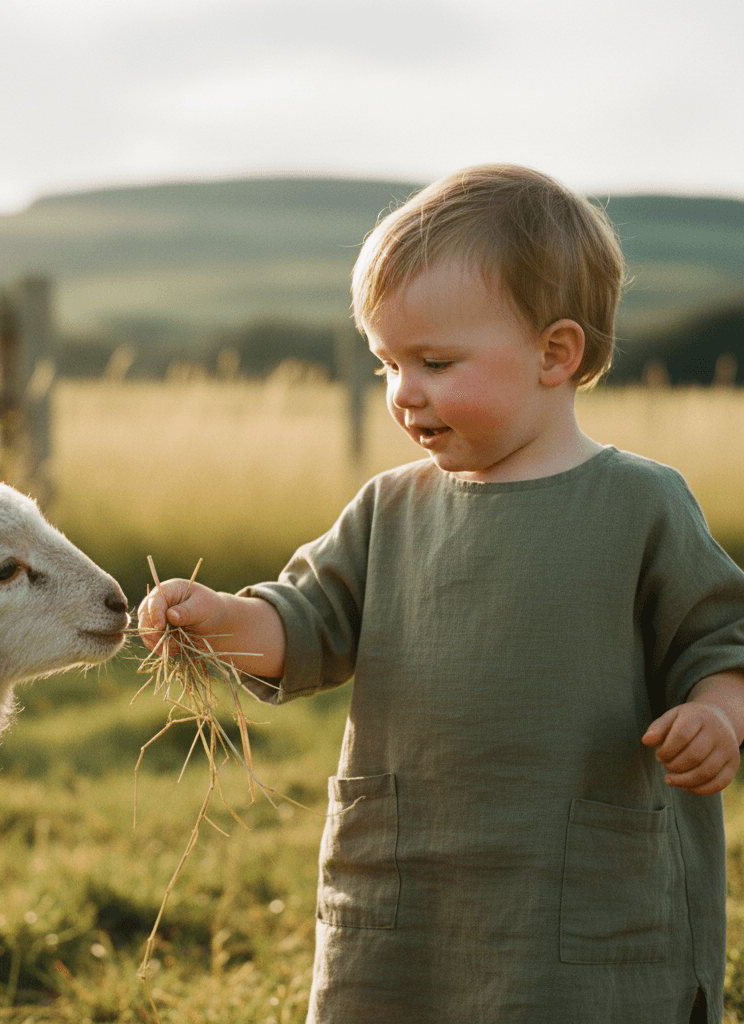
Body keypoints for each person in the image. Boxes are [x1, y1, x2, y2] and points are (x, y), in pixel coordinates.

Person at [137, 164, 744, 1024]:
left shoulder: (640, 504)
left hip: (582, 910)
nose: (404, 392)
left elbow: (724, 642)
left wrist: (719, 715)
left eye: (435, 361)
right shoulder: (388, 509)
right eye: (387, 363)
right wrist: (223, 619)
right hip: (410, 900)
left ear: (554, 353)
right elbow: (305, 622)